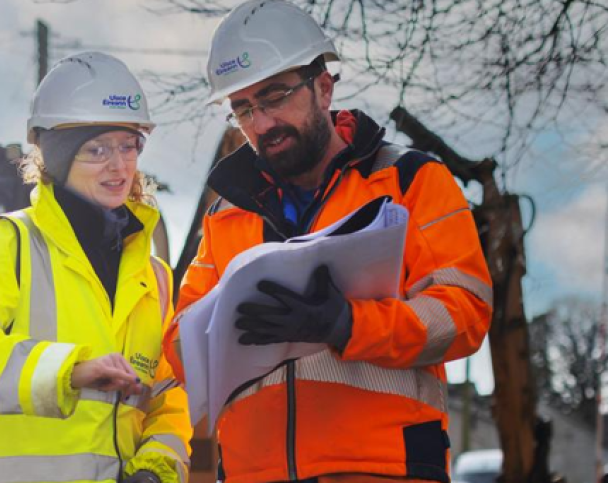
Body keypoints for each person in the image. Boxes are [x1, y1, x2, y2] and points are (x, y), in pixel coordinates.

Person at [164, 1, 493, 482]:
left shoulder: (409, 180)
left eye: (274, 97)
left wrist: (348, 323)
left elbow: (464, 312)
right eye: (243, 110)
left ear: (323, 86)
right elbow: (179, 344)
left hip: (383, 468)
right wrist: (220, 326)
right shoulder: (225, 215)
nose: (260, 124)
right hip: (253, 473)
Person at [0, 52, 191, 483]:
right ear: (58, 156)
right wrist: (69, 370)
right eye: (97, 149)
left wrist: (156, 468)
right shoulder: (6, 244)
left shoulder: (155, 276)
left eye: (128, 146)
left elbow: (168, 395)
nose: (119, 165)